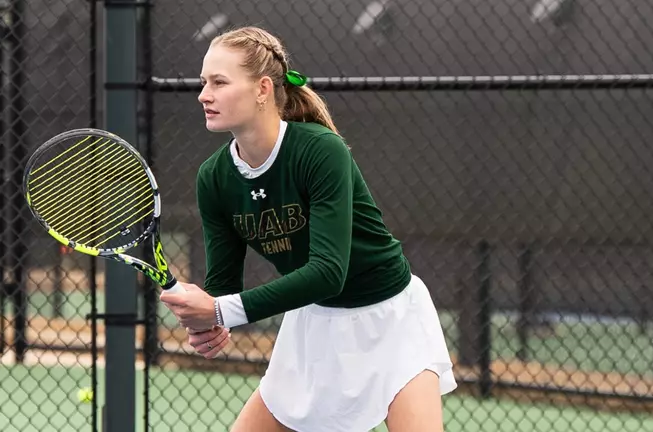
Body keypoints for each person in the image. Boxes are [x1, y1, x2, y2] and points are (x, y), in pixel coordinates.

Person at [160, 25, 457, 432]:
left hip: (390, 321)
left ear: (263, 88)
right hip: (313, 328)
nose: (203, 94)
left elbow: (328, 273)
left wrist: (218, 310)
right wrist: (213, 323)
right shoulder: (214, 177)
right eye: (203, 82)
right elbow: (224, 286)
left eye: (219, 82)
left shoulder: (320, 150)